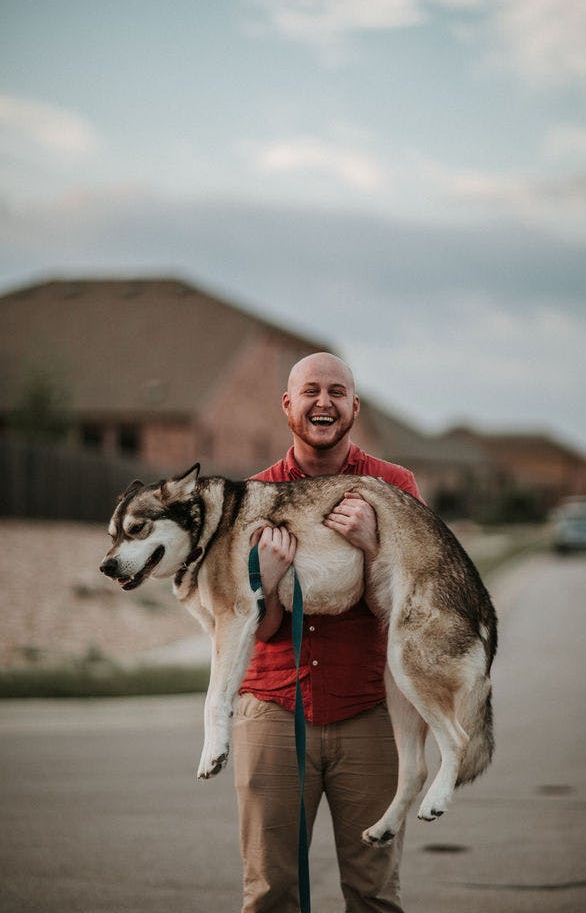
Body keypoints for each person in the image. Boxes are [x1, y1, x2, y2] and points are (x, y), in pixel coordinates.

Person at [233, 352, 423, 913]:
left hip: (369, 709)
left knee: (374, 894)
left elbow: (415, 606)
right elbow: (258, 630)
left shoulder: (393, 485)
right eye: (310, 391)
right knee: (270, 892)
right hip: (272, 707)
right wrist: (262, 583)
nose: (324, 403)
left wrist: (375, 546)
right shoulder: (255, 494)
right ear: (288, 406)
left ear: (354, 407)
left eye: (337, 392)